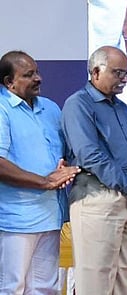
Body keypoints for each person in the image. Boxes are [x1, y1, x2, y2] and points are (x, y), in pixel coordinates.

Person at [61, 46, 127, 294]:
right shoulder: (78, 105)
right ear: (95, 71)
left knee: (125, 278)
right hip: (97, 198)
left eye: (126, 73)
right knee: (96, 281)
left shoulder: (122, 107)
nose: (124, 79)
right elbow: (90, 155)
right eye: (117, 73)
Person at [0, 50, 80, 294]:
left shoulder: (51, 108)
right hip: (16, 219)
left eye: (37, 72)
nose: (38, 78)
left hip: (50, 214)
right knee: (12, 287)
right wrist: (44, 182)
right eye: (28, 74)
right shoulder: (2, 109)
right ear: (9, 83)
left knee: (46, 288)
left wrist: (62, 167)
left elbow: (60, 154)